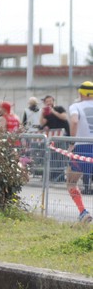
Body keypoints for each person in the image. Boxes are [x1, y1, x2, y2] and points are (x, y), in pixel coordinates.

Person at [66, 81, 93, 223]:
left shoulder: (75, 106)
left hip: (82, 147)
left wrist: (72, 143)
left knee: (71, 181)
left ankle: (83, 212)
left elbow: (75, 121)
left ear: (81, 93)